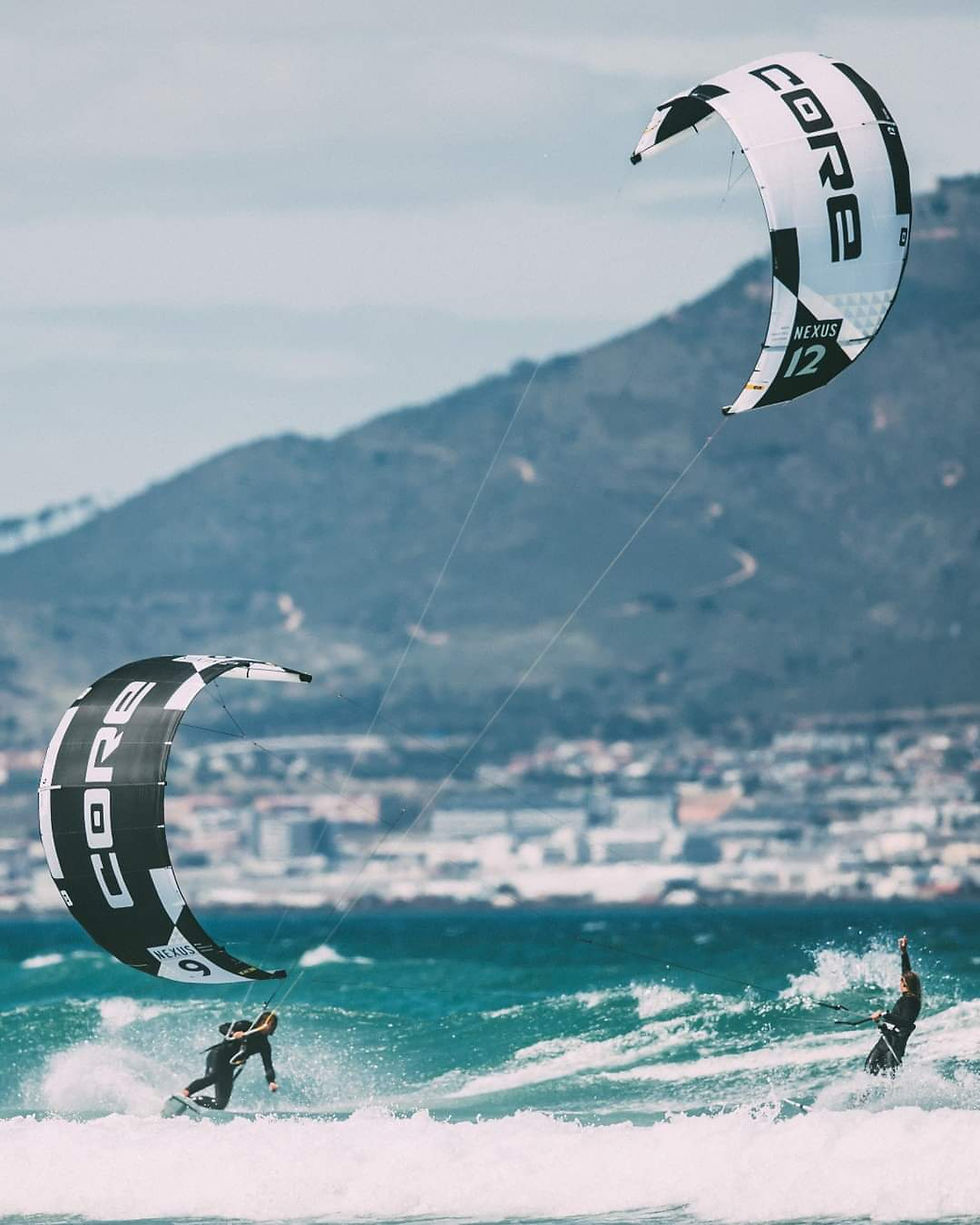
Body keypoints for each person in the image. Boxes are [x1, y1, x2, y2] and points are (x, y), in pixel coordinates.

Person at [182, 1010, 279, 1110]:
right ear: (260, 1022)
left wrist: (271, 1081)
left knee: (220, 1104)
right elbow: (222, 1027)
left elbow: (268, 1065)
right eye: (268, 1023)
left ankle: (191, 1101)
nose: (268, 1027)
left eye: (272, 1025)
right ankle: (185, 1092)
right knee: (213, 1077)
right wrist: (234, 1033)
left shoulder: (264, 1045)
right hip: (218, 1056)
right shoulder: (246, 1026)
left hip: (229, 1067)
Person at [864, 936, 921, 1076]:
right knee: (869, 1069)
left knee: (889, 1077)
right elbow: (906, 972)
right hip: (886, 1039)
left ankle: (891, 1098)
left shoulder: (912, 1001)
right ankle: (864, 1098)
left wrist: (884, 1015)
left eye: (902, 981)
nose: (899, 982)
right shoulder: (907, 996)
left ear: (906, 984)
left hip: (895, 1045)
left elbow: (907, 1024)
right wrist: (903, 952)